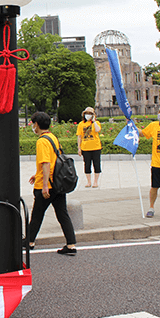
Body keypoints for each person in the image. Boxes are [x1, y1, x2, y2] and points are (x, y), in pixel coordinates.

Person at [27, 111, 77, 255]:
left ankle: (29, 242)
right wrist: (37, 175)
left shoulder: (42, 141)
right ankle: (71, 244)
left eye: (33, 124)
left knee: (37, 214)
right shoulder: (52, 137)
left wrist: (43, 185)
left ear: (36, 124)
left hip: (47, 186)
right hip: (57, 184)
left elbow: (46, 163)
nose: (33, 127)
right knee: (62, 214)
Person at [76, 106, 102, 188]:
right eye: (87, 113)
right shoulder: (81, 124)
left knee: (96, 164)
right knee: (87, 164)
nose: (88, 115)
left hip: (96, 147)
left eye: (90, 114)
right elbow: (79, 136)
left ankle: (95, 181)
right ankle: (89, 181)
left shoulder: (96, 123)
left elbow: (98, 130)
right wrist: (79, 148)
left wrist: (93, 121)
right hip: (85, 147)